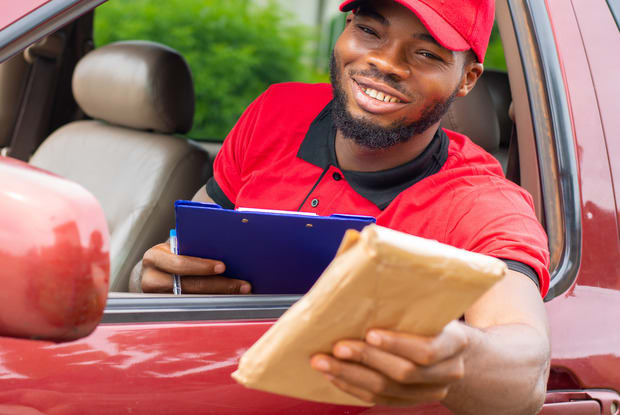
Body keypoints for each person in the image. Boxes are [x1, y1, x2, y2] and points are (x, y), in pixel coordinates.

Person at [133, 0, 551, 413]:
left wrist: (457, 357)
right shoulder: (275, 113)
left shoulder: (481, 201)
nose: (386, 62)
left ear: (467, 79)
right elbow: (181, 251)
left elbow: (526, 371)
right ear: (346, 28)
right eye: (369, 30)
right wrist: (151, 278)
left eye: (426, 53)